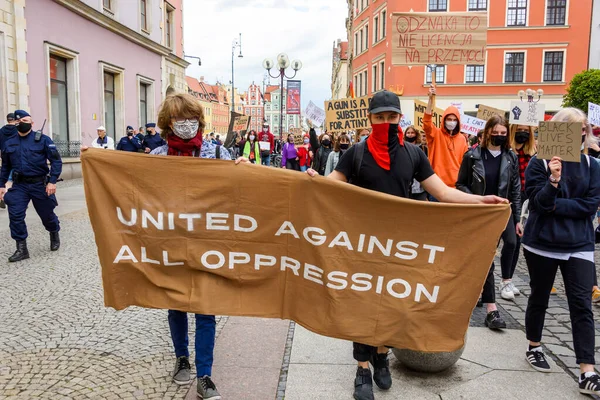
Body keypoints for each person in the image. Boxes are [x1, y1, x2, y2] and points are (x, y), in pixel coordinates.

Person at [308, 91, 507, 400]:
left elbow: (442, 192)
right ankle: (362, 368)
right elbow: (329, 184)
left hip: (400, 246)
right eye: (379, 118)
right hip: (363, 243)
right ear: (370, 119)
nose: (386, 122)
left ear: (399, 118)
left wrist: (481, 200)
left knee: (393, 305)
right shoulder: (357, 153)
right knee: (362, 305)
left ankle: (382, 354)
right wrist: (309, 179)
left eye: (391, 117)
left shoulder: (413, 154)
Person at [149, 93, 229, 400]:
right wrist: (97, 159)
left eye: (191, 118)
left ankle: (205, 374)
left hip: (208, 242)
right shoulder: (156, 157)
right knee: (177, 305)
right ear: (168, 123)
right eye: (180, 119)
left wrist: (242, 168)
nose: (186, 124)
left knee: (206, 309)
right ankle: (182, 357)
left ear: (200, 120)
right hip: (171, 243)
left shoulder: (216, 153)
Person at [521, 108, 600, 396]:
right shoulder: (539, 164)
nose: (578, 132)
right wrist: (553, 181)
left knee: (581, 304)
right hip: (542, 243)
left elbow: (589, 206)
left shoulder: (593, 165)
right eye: (571, 127)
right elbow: (539, 203)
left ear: (584, 132)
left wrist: (556, 207)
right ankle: (534, 345)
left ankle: (587, 371)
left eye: (582, 128)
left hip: (579, 244)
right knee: (539, 296)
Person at [456, 115, 521, 328]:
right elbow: (460, 184)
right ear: (488, 131)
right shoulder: (473, 155)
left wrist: (518, 218)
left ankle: (505, 281)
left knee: (511, 243)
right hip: (482, 213)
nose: (500, 136)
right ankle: (491, 308)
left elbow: (515, 190)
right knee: (487, 256)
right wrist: (478, 200)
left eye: (504, 133)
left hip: (504, 209)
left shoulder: (510, 157)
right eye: (496, 132)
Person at [0, 110, 62, 262]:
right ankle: (22, 249)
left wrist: (52, 181)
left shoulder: (43, 140)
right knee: (15, 215)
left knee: (47, 215)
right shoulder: (9, 143)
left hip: (40, 184)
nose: (22, 124)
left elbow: (56, 161)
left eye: (26, 121)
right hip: (19, 185)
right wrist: (1, 185)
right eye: (19, 121)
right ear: (15, 123)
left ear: (32, 123)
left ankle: (53, 232)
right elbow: (5, 166)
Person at [503, 124, 536, 300]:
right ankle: (503, 279)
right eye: (519, 129)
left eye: (526, 130)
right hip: (508, 198)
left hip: (527, 199)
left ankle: (508, 278)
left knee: (516, 241)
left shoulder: (533, 152)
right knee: (509, 242)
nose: (523, 132)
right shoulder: (507, 151)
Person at [424, 86, 468, 193]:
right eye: (449, 119)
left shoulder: (462, 139)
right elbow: (427, 123)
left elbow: (465, 163)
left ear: (458, 121)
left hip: (456, 187)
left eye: (454, 120)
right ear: (444, 120)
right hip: (437, 186)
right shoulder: (436, 134)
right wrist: (430, 100)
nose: (451, 122)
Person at [404, 125, 429, 201]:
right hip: (407, 185)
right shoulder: (402, 147)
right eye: (408, 133)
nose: (410, 135)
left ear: (416, 134)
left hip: (420, 185)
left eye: (412, 133)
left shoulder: (423, 148)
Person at [0, 113, 18, 209]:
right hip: (16, 156)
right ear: (15, 120)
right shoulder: (17, 130)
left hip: (4, 155)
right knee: (12, 178)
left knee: (5, 176)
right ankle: (4, 197)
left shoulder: (1, 130)